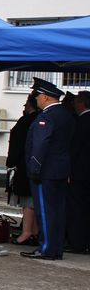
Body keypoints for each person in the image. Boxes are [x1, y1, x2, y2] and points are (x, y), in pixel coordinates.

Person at [23, 78, 75, 260]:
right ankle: (56, 248)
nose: (36, 99)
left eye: (37, 96)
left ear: (45, 97)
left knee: (45, 211)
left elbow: (40, 145)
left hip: (45, 171)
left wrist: (34, 169)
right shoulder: (66, 115)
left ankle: (46, 248)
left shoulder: (47, 116)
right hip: (60, 169)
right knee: (57, 211)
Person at [6, 95, 40, 246]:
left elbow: (17, 142)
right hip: (33, 164)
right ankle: (34, 231)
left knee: (28, 201)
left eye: (26, 104)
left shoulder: (27, 120)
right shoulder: (39, 118)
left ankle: (27, 232)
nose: (24, 107)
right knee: (33, 200)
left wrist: (11, 162)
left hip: (26, 165)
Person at [68, 91, 90, 255]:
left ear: (81, 103)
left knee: (77, 209)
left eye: (76, 102)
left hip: (80, 172)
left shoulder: (81, 122)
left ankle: (78, 243)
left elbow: (74, 149)